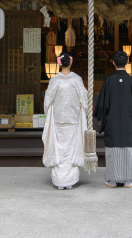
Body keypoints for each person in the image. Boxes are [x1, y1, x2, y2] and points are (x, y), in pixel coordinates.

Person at [94, 50, 132, 188]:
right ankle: (129, 179)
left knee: (113, 148)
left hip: (112, 120)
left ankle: (112, 179)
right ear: (127, 62)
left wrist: (101, 118)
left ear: (113, 62)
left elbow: (102, 102)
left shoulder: (109, 80)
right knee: (128, 148)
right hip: (129, 120)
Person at [42, 51, 87, 189]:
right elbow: (84, 100)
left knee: (58, 149)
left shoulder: (55, 80)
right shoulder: (77, 79)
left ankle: (59, 180)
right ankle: (69, 180)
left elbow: (47, 101)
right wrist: (85, 113)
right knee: (72, 149)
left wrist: (48, 113)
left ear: (59, 62)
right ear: (71, 62)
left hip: (58, 119)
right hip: (73, 119)